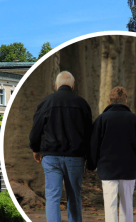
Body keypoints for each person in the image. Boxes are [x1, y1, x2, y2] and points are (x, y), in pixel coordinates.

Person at [29, 71, 95, 222]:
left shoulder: (46, 102)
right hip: (76, 157)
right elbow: (90, 135)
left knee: (52, 195)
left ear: (56, 85)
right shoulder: (82, 104)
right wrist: (91, 162)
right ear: (73, 86)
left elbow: (35, 130)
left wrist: (36, 149)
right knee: (74, 196)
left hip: (51, 156)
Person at [90, 87, 136, 222]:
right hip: (129, 167)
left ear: (110, 101)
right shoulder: (135, 120)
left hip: (107, 167)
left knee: (110, 204)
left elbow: (94, 144)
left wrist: (92, 164)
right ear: (125, 101)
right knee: (127, 204)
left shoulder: (102, 119)